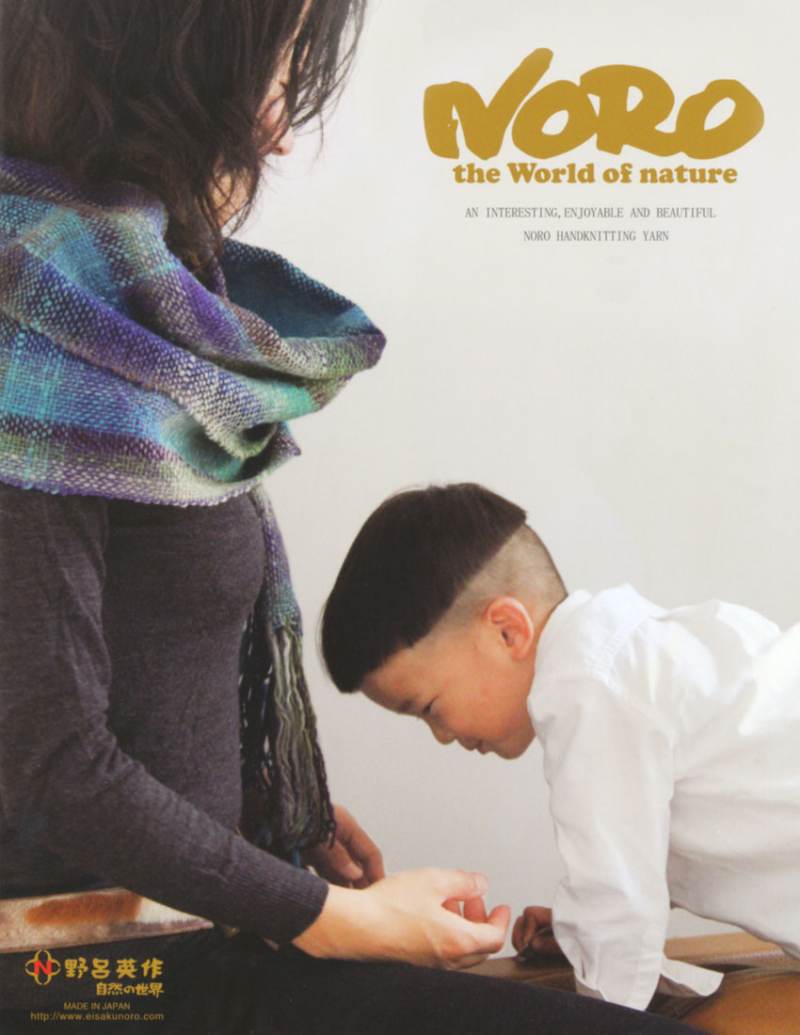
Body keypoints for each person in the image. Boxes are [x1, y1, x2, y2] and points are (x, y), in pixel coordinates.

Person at [0, 2, 699, 1033]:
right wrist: (328, 917)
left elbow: (146, 663)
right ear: (166, 64)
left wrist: (277, 816)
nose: (279, 130)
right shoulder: (30, 335)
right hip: (87, 981)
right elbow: (51, 764)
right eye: (272, 74)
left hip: (203, 935)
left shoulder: (122, 310)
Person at [320, 480, 800, 1012]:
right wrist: (581, 928)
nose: (441, 735)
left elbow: (616, 910)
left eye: (429, 707)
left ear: (507, 631)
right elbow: (683, 842)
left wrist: (599, 956)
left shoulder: (589, 692)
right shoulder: (641, 652)